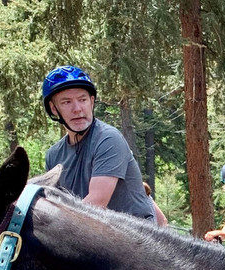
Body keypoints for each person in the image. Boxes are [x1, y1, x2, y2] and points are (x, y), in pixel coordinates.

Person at [42, 66, 164, 223]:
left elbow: (96, 204)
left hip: (135, 233)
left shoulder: (108, 139)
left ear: (92, 101)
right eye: (67, 102)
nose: (77, 109)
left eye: (83, 100)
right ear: (54, 109)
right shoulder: (54, 155)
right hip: (90, 233)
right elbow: (56, 205)